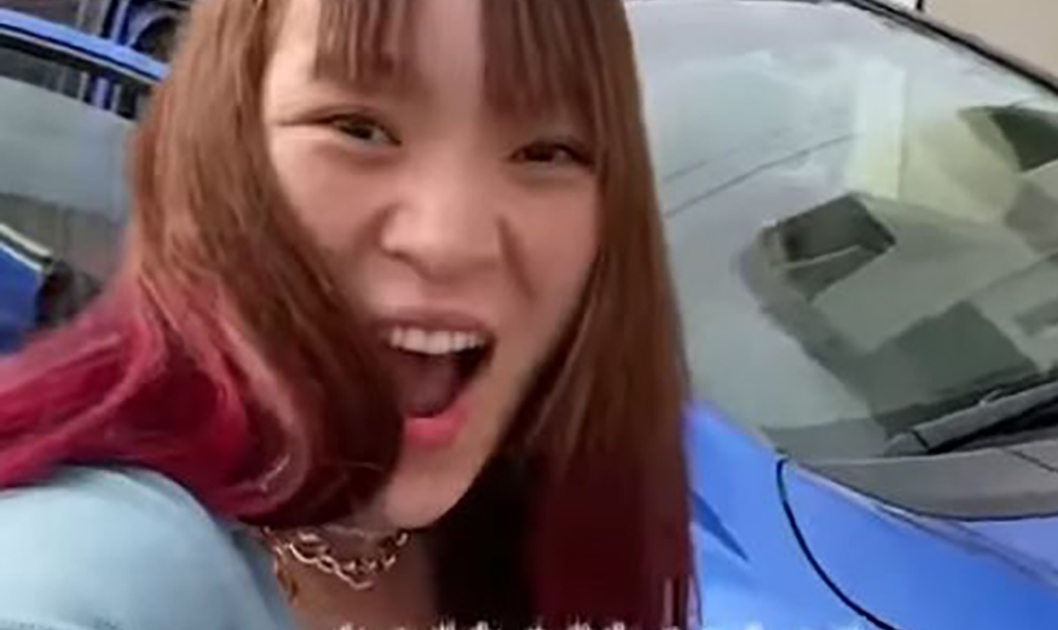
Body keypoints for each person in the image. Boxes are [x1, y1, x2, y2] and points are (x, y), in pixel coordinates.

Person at [0, 0, 693, 628]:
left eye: (546, 152)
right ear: (217, 155)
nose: (449, 242)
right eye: (358, 129)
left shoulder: (532, 521)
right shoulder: (98, 560)